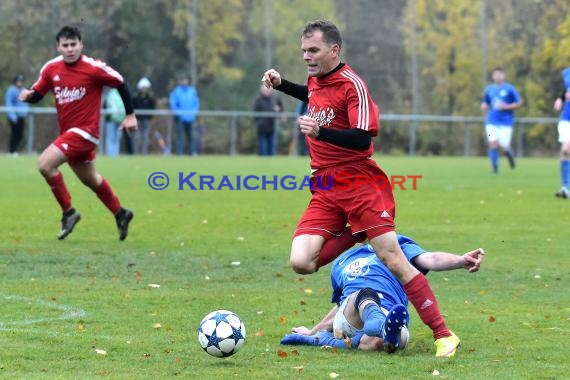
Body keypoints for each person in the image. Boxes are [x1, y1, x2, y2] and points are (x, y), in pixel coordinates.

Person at [261, 20, 460, 357]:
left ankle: (444, 335)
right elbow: (312, 94)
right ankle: (357, 233)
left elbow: (362, 137)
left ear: (334, 50)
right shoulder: (316, 79)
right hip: (324, 186)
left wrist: (321, 133)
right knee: (301, 262)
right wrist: (282, 85)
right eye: (304, 51)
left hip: (358, 184)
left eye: (314, 50)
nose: (307, 57)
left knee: (393, 258)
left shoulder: (353, 85)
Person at [19, 25, 136, 240]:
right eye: (66, 45)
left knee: (45, 164)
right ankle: (121, 213)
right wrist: (29, 96)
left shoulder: (93, 68)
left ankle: (69, 213)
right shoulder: (51, 68)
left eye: (74, 44)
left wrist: (130, 115)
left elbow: (121, 82)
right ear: (59, 46)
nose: (70, 49)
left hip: (86, 132)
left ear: (81, 45)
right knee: (91, 179)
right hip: (69, 133)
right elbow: (39, 92)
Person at [280, 236, 485, 353]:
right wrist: (312, 330)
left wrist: (459, 260)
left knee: (395, 340)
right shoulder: (342, 261)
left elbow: (430, 258)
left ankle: (339, 339)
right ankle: (374, 325)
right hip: (352, 312)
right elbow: (339, 307)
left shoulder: (397, 246)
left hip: (388, 313)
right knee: (364, 295)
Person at [480, 67, 522, 174]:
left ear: (504, 76)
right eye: (496, 74)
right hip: (491, 122)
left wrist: (506, 106)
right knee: (492, 143)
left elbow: (519, 103)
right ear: (493, 76)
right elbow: (485, 102)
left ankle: (509, 155)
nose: (498, 76)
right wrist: (484, 105)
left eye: (500, 74)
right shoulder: (489, 89)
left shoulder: (510, 89)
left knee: (504, 147)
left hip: (506, 123)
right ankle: (494, 169)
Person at [169, 73, 200, 156]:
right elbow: (173, 105)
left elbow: (196, 103)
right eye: (182, 80)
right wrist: (179, 113)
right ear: (179, 81)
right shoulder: (176, 92)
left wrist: (193, 113)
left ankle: (192, 153)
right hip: (180, 118)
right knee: (180, 137)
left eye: (185, 80)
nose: (184, 82)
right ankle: (180, 154)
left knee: (191, 137)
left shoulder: (192, 91)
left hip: (191, 118)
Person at [553, 67, 570, 199]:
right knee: (565, 150)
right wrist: (560, 99)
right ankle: (565, 188)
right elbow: (566, 91)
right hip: (566, 118)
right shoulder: (566, 72)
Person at [253, 84, 283, 156]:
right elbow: (255, 112)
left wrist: (278, 110)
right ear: (262, 90)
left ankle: (272, 164)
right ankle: (262, 164)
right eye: (265, 89)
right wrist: (259, 122)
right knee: (263, 148)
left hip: (272, 127)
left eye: (268, 89)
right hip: (262, 128)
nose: (267, 91)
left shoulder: (275, 98)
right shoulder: (258, 100)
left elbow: (281, 109)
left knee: (272, 148)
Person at [5, 74, 29, 157]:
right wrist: (12, 116)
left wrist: (26, 112)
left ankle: (14, 150)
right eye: (18, 81)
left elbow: (26, 103)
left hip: (21, 117)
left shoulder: (23, 90)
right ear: (15, 82)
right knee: (14, 134)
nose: (20, 83)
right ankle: (11, 151)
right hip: (14, 117)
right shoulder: (11, 90)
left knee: (20, 134)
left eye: (21, 81)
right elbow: (9, 103)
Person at [132, 77, 156, 155]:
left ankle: (144, 153)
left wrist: (149, 117)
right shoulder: (136, 96)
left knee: (145, 137)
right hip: (137, 119)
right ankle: (136, 153)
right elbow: (133, 106)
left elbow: (153, 107)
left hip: (146, 120)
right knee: (137, 137)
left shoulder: (150, 97)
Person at [103, 88, 125, 156]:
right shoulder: (122, 93)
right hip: (121, 119)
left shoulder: (110, 95)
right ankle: (115, 154)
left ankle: (110, 154)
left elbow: (104, 106)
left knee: (110, 137)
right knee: (117, 138)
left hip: (110, 120)